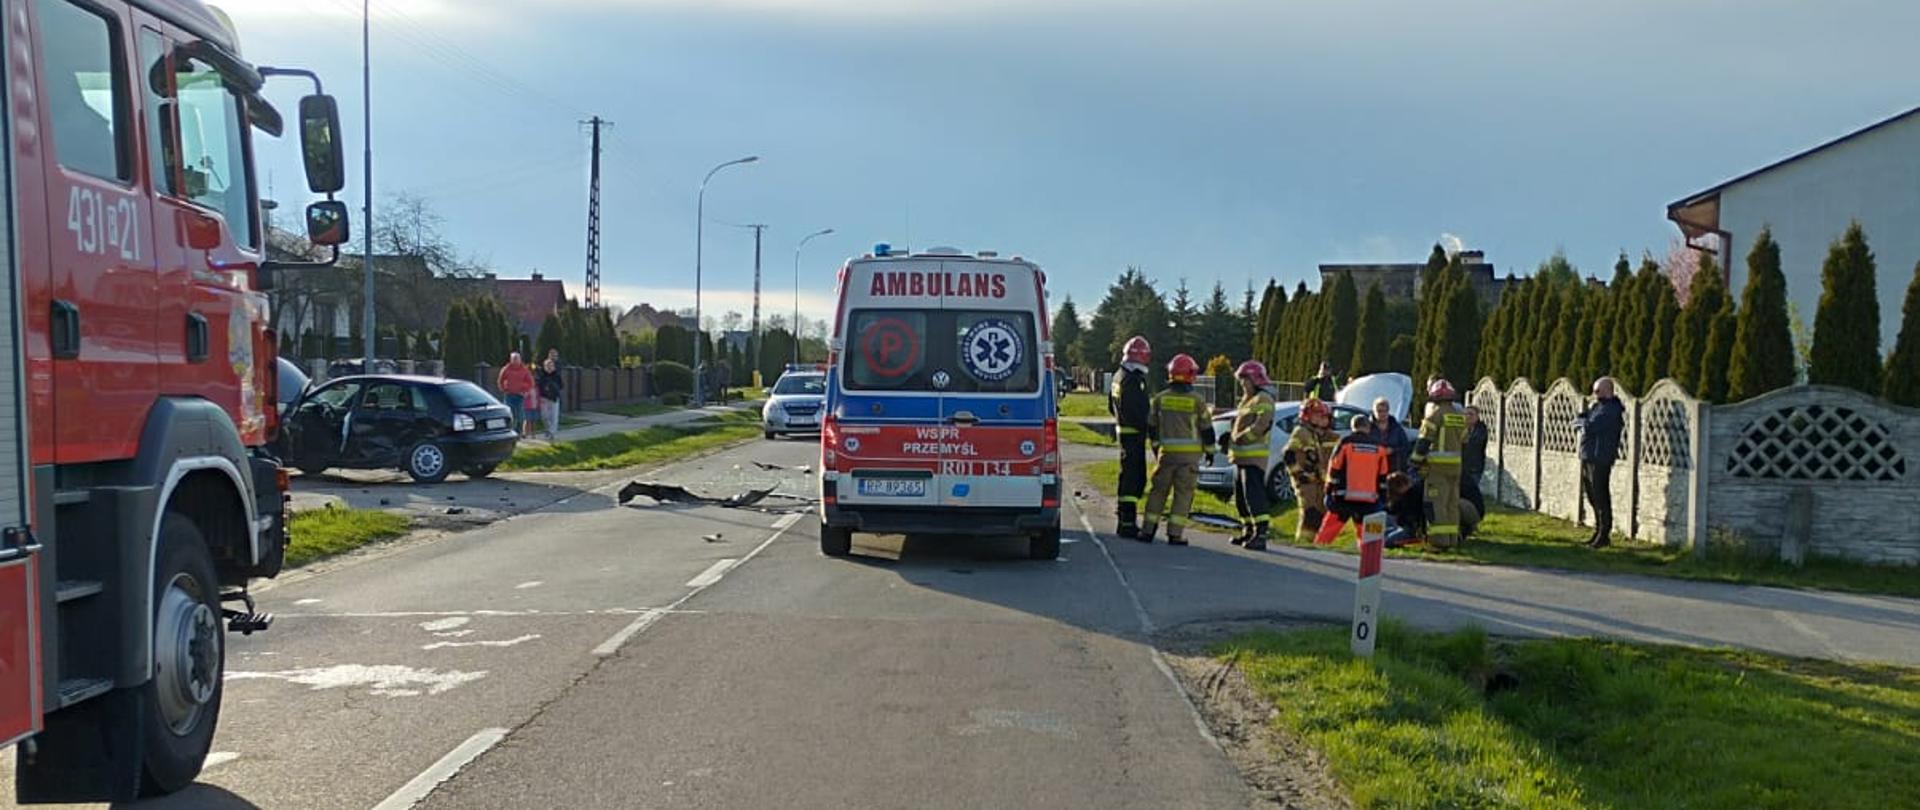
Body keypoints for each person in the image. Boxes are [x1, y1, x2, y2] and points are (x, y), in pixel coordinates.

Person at [1137, 354, 1215, 546]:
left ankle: (1147, 531)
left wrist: (1156, 449)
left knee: (1157, 492)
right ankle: (1175, 534)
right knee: (1183, 494)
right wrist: (1210, 451)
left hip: (1166, 455)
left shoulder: (1160, 399)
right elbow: (1207, 429)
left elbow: (1152, 427)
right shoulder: (1197, 400)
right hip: (1189, 458)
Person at [1316, 414, 1392, 546]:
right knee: (1369, 541)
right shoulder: (1379, 447)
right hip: (1369, 500)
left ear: (1353, 427)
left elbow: (1334, 468)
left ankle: (1316, 554)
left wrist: (1329, 489)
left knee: (1326, 533)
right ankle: (1367, 559)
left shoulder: (1346, 443)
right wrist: (1383, 497)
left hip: (1343, 497)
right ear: (1368, 428)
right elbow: (1383, 475)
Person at [1226, 361, 1278, 550]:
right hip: (1241, 457)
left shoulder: (1263, 399)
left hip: (1253, 457)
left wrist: (1241, 438)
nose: (1242, 384)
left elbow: (1261, 425)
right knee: (1241, 498)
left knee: (1254, 496)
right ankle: (1248, 530)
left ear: (1255, 379)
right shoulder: (1247, 399)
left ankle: (1261, 534)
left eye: (1244, 380)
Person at [1411, 378, 1468, 550]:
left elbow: (1423, 442)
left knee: (1436, 504)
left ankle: (1439, 542)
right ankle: (1452, 540)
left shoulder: (1434, 415)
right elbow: (1464, 440)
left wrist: (1414, 461)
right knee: (1452, 503)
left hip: (1437, 468)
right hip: (1456, 468)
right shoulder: (1460, 416)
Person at [1108, 336, 1153, 537]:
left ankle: (1126, 520)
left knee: (1128, 476)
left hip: (1124, 433)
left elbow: (1112, 406)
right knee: (1134, 479)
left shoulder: (1118, 376)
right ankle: (1127, 522)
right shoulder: (1133, 380)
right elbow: (1139, 411)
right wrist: (1151, 428)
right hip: (1134, 435)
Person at [1575, 377, 1626, 548]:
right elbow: (1586, 418)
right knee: (1591, 495)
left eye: (1598, 391)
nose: (1595, 394)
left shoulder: (1611, 409)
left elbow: (1592, 426)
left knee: (1600, 495)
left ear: (1607, 390)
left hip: (1600, 458)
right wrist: (1582, 418)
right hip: (1589, 456)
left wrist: (1584, 423)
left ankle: (1604, 534)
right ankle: (1598, 530)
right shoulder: (1598, 406)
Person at [1283, 397, 1340, 544]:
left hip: (1317, 483)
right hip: (1306, 483)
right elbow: (1289, 455)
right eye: (1318, 415)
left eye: (1323, 415)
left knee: (1319, 514)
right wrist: (1300, 475)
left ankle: (1312, 544)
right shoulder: (1301, 432)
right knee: (1310, 513)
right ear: (1307, 415)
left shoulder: (1314, 433)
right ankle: (1302, 544)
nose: (1321, 418)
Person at [1461, 405, 1490, 525]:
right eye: (1466, 414)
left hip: (1474, 467)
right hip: (1462, 466)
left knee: (1471, 493)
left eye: (1471, 414)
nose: (1468, 417)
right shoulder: (1462, 429)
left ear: (1477, 417)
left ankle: (1472, 517)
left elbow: (1474, 443)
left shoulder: (1481, 429)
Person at [1383, 472, 1426, 547]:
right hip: (1405, 526)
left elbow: (1412, 518)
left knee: (1388, 541)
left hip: (1413, 530)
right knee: (1383, 533)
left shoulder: (1414, 494)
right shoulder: (1403, 496)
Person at [497, 352, 535, 438]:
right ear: (510, 360)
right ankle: (511, 432)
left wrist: (526, 391)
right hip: (509, 395)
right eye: (513, 359)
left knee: (520, 415)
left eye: (517, 359)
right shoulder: (506, 369)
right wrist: (503, 389)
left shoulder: (524, 370)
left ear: (520, 360)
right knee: (510, 414)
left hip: (520, 395)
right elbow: (500, 380)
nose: (515, 361)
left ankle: (519, 431)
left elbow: (531, 382)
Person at [1371, 396, 1412, 473]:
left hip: (1393, 468)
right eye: (1379, 411)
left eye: (1385, 411)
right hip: (1374, 467)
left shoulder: (1396, 427)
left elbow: (1406, 447)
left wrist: (1393, 450)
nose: (1382, 414)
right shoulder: (1368, 427)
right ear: (1374, 411)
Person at [535, 356, 565, 441]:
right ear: (544, 367)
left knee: (554, 417)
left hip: (554, 398)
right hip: (544, 398)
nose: (549, 367)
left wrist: (553, 388)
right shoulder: (542, 375)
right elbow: (538, 385)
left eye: (551, 365)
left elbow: (561, 386)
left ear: (554, 367)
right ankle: (548, 429)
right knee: (544, 416)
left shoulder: (557, 375)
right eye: (547, 365)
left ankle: (552, 433)